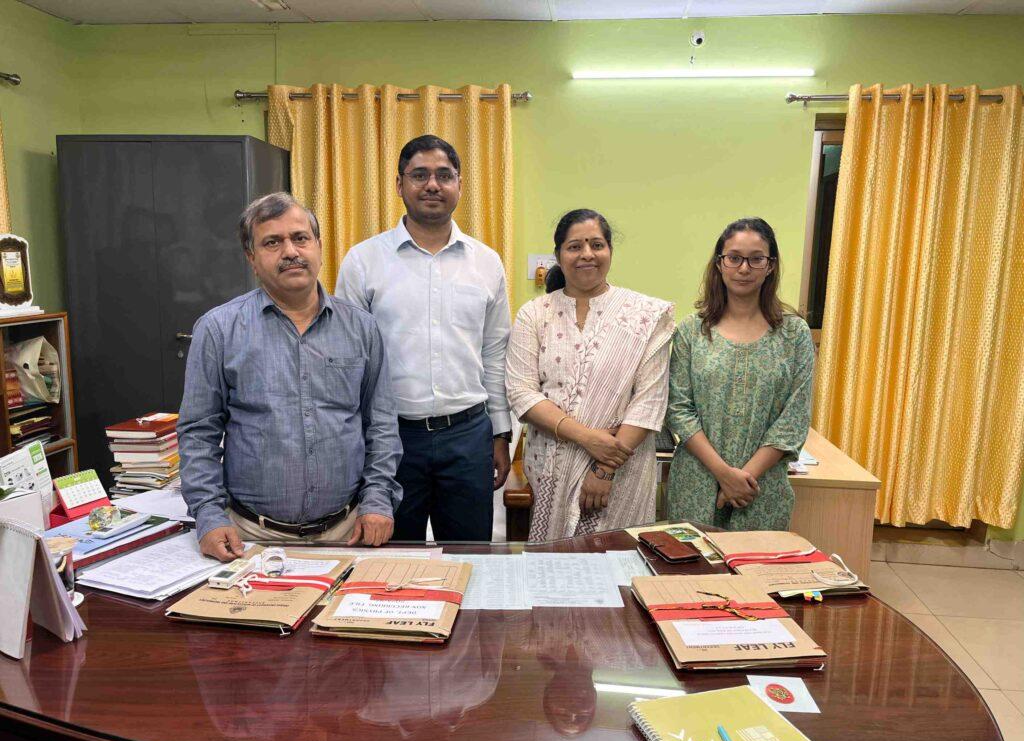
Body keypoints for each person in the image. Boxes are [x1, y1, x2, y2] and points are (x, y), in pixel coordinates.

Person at [179, 192, 403, 561]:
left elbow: (380, 424)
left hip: (348, 533)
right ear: (251, 257)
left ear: (319, 246)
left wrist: (378, 500)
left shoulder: (361, 328)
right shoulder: (218, 330)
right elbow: (199, 432)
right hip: (249, 537)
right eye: (272, 242)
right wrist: (208, 515)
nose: (290, 251)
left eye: (300, 238)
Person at [335, 135, 512, 542]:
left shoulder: (486, 263)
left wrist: (501, 434)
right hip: (391, 440)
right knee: (391, 559)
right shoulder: (363, 261)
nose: (432, 185)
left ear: (459, 185)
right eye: (420, 175)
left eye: (444, 175)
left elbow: (494, 352)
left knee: (471, 556)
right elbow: (347, 360)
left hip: (467, 435)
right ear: (399, 184)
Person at [504, 209, 675, 541]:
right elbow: (521, 393)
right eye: (574, 246)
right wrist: (588, 438)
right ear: (558, 255)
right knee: (554, 565)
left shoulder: (645, 315)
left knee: (617, 563)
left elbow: (649, 401)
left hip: (622, 472)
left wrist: (605, 469)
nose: (587, 254)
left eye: (597, 245)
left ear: (610, 251)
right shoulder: (534, 314)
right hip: (552, 469)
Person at [666, 217, 814, 531]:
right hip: (696, 482)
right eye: (734, 258)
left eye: (756, 259)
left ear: (770, 266)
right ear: (720, 263)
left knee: (755, 563)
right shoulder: (692, 331)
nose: (744, 268)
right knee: (693, 563)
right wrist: (724, 474)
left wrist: (743, 479)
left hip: (761, 488)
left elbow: (794, 418)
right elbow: (678, 409)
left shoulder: (794, 334)